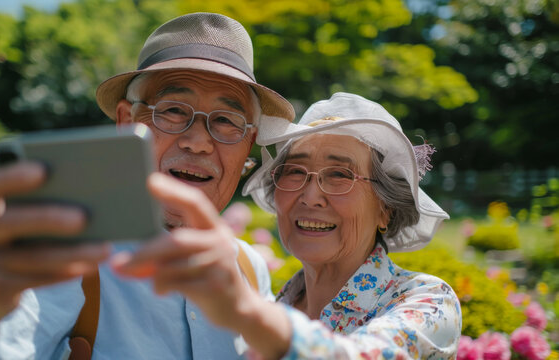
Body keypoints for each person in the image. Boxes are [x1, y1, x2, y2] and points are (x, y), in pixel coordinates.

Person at [0, 12, 296, 359]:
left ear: (249, 143)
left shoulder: (249, 268)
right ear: (125, 122)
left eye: (227, 120)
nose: (198, 142)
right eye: (174, 111)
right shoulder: (72, 255)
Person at [116, 92, 462, 359]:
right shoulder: (276, 302)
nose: (311, 197)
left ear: (385, 209)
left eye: (339, 175)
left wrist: (247, 314)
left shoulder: (426, 301)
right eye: (295, 172)